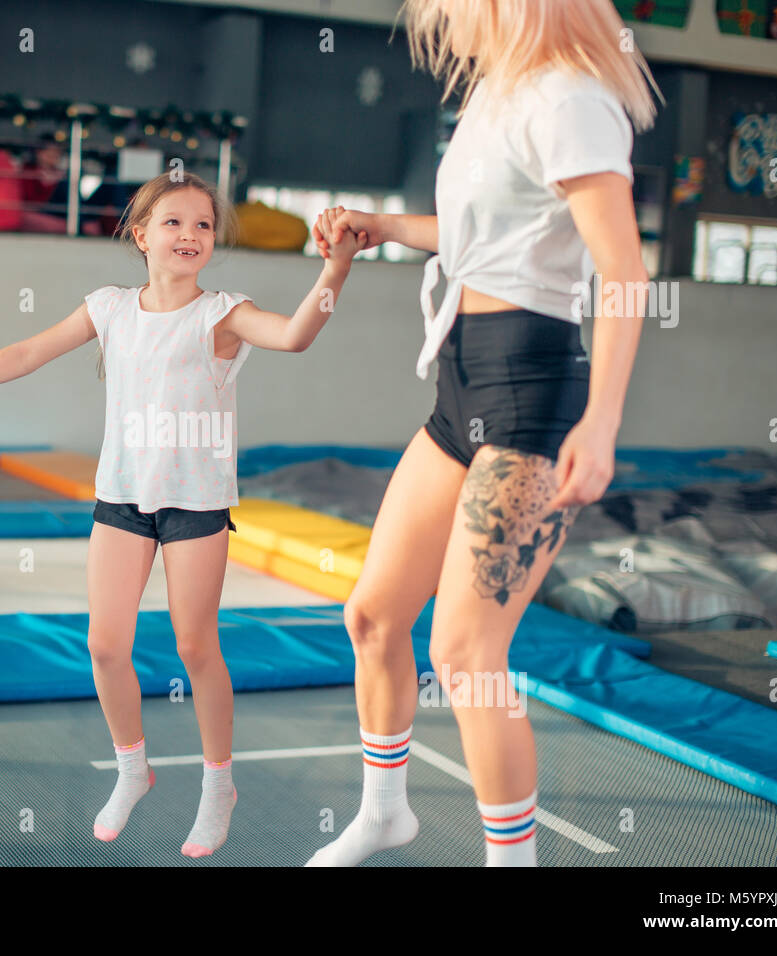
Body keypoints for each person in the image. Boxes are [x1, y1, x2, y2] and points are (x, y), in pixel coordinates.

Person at [0, 171, 366, 857]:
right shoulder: (109, 307)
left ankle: (218, 786)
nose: (190, 235)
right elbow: (27, 352)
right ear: (141, 235)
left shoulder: (222, 314)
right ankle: (133, 769)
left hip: (196, 504)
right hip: (122, 500)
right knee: (105, 646)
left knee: (196, 647)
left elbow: (294, 336)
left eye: (203, 225)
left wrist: (335, 268)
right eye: (173, 222)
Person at [307, 0, 661, 866]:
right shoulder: (497, 96)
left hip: (533, 394)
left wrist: (603, 421)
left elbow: (623, 270)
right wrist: (385, 228)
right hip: (460, 385)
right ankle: (385, 814)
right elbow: (482, 237)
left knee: (466, 653)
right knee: (373, 616)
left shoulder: (573, 98)